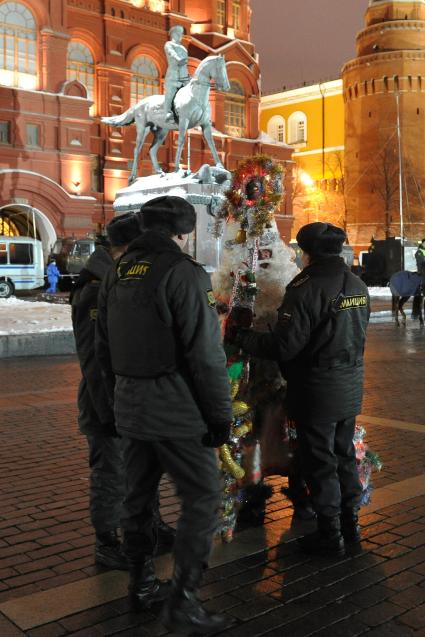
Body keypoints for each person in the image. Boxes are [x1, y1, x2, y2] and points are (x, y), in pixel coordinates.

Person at [96, 196, 234, 633]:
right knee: (203, 498)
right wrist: (219, 416)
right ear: (184, 232)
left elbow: (102, 349)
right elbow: (206, 355)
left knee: (138, 499)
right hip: (176, 409)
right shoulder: (183, 273)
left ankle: (140, 586)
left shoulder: (116, 271)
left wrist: (116, 400)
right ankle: (184, 602)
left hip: (130, 407)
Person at [226, 222, 370, 557]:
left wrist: (242, 338)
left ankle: (330, 534)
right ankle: (351, 526)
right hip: (349, 384)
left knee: (319, 461)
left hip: (317, 388)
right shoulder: (356, 284)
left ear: (306, 253)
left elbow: (285, 346)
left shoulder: (306, 288)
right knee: (344, 455)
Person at [71, 214, 175, 570]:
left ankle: (153, 526)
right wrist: (110, 412)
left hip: (131, 402)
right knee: (111, 473)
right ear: (129, 247)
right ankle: (106, 541)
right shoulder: (95, 288)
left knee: (144, 469)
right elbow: (94, 361)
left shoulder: (118, 280)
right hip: (106, 406)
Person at [164, 25, 190, 122]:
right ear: (173, 34)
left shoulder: (183, 48)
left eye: (181, 34)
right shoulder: (169, 44)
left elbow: (185, 64)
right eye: (179, 34)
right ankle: (168, 112)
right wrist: (178, 60)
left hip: (183, 75)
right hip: (173, 73)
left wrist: (188, 76)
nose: (181, 36)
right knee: (171, 91)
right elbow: (171, 53)